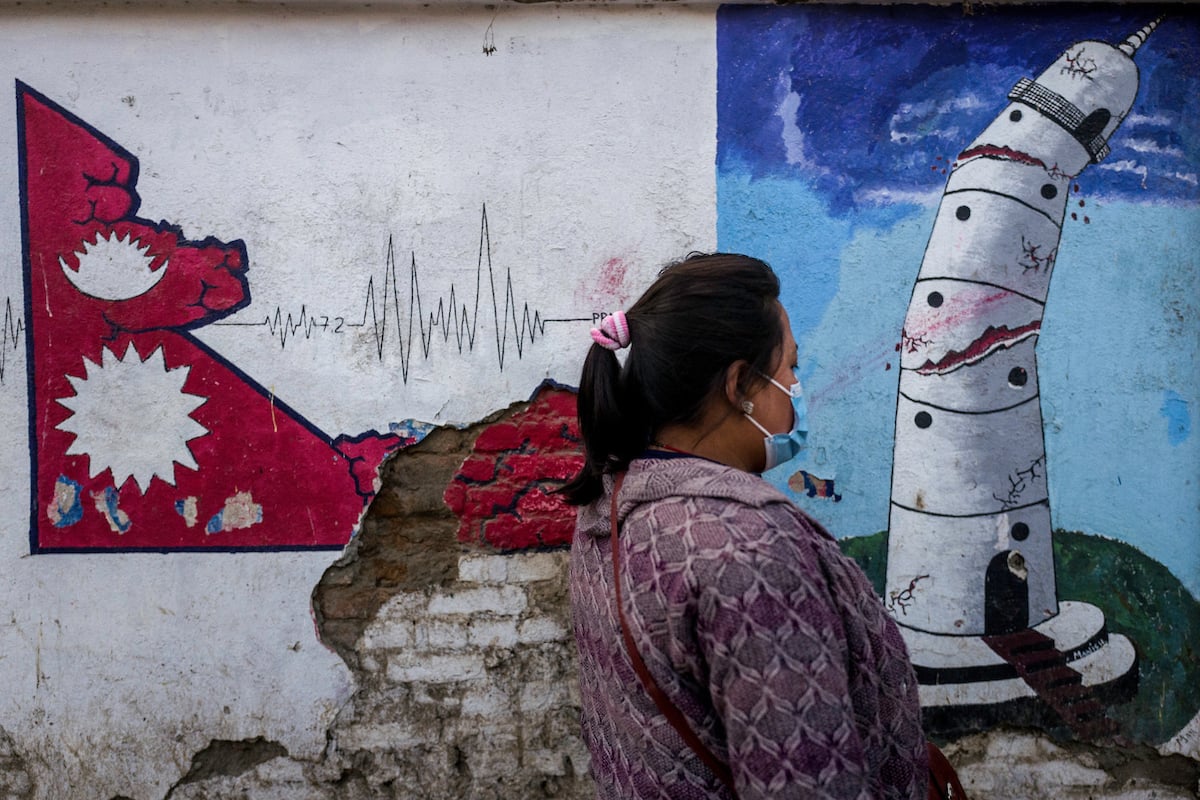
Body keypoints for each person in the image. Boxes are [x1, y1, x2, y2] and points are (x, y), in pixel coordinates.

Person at [562, 252, 928, 799]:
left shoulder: (612, 505)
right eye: (790, 369)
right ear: (741, 387)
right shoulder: (750, 550)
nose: (796, 388)